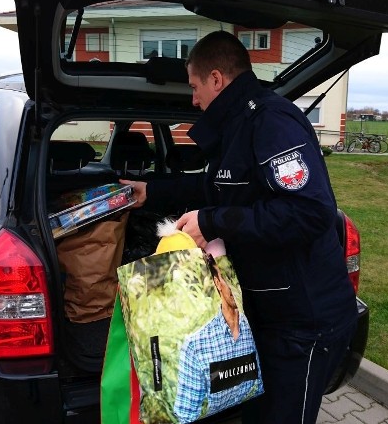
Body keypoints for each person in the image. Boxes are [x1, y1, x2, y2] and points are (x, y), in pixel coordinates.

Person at [121, 30, 357, 423]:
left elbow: (309, 212)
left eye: (195, 87)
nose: (192, 99)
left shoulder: (271, 122)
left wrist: (212, 220)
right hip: (266, 312)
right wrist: (152, 191)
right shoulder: (237, 126)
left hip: (303, 322)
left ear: (217, 78)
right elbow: (215, 186)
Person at [173, 256, 262, 423]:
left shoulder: (249, 327)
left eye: (233, 277)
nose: (234, 286)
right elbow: (185, 414)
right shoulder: (196, 344)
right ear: (217, 282)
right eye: (226, 279)